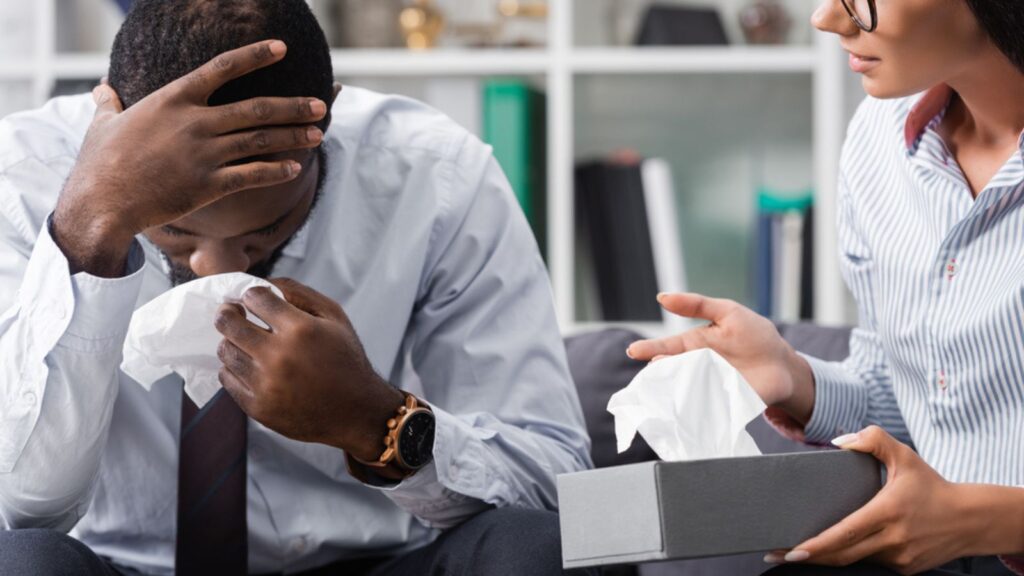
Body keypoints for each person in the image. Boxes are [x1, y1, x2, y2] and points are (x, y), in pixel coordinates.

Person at [0, 1, 593, 574]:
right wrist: (87, 231)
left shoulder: (437, 179)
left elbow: (553, 490)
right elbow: (22, 508)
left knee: (530, 549)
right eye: (176, 231)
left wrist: (376, 421)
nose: (215, 268)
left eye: (266, 230)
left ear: (323, 120)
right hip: (118, 567)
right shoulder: (20, 182)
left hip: (375, 562)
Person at [628, 0, 1024, 575]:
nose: (826, 19)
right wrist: (794, 378)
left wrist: (979, 519)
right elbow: (919, 400)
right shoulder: (879, 140)